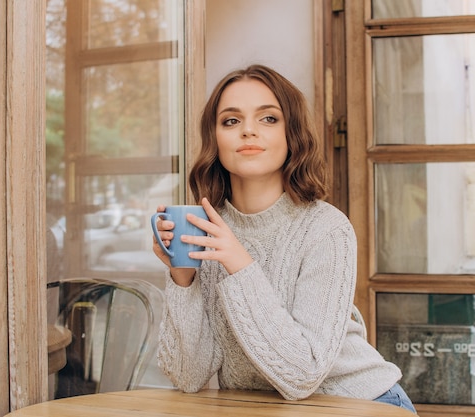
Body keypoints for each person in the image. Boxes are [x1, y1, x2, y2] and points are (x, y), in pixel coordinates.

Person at [152, 64, 416, 413]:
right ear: (215, 138)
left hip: (362, 403)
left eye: (268, 119)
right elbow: (189, 377)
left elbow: (301, 375)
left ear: (291, 134)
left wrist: (239, 263)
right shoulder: (208, 230)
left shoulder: (327, 229)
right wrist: (182, 278)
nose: (248, 131)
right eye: (231, 121)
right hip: (264, 409)